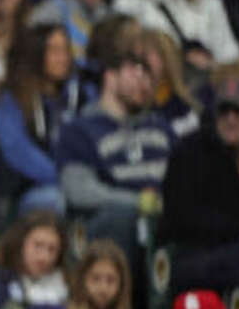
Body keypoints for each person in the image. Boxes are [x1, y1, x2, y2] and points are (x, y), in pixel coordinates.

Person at [158, 73, 239, 292]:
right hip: (196, 254)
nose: (230, 119)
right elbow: (180, 217)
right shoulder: (189, 152)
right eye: (224, 111)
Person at [55, 40, 173, 253]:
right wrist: (138, 202)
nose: (144, 82)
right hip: (110, 229)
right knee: (122, 217)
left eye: (148, 75)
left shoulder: (161, 128)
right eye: (135, 72)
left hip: (163, 221)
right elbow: (79, 192)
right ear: (109, 76)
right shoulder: (80, 130)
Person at [0, 23, 81, 214]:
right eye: (54, 50)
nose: (63, 58)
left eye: (66, 50)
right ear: (36, 54)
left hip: (78, 182)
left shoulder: (80, 95)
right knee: (55, 200)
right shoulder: (14, 98)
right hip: (32, 188)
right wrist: (60, 175)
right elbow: (16, 150)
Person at [67, 238, 137, 309]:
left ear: (122, 284)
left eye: (111, 280)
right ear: (82, 280)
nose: (103, 289)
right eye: (95, 279)